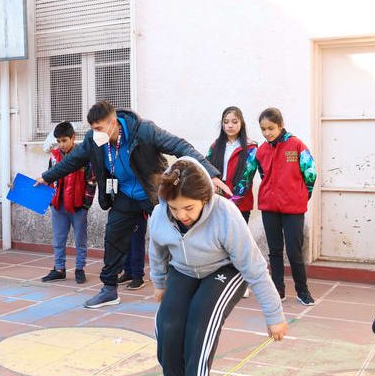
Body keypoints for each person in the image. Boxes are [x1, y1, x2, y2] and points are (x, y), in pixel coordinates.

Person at [37, 100, 230, 309]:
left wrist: (210, 173)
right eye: (92, 129)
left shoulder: (144, 131)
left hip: (151, 193)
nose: (95, 133)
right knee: (113, 238)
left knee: (175, 236)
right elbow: (72, 160)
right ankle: (109, 289)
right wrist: (47, 177)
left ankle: (191, 282)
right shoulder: (95, 140)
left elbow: (180, 146)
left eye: (99, 128)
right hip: (123, 195)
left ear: (113, 123)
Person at [149, 158, 287, 376]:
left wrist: (274, 315)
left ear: (204, 198)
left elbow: (254, 268)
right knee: (167, 322)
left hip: (225, 269)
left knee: (202, 317)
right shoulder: (160, 214)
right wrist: (159, 282)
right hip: (183, 269)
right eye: (174, 208)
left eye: (188, 208)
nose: (182, 216)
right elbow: (157, 250)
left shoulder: (225, 214)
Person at [237, 108, 317, 305]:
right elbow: (252, 176)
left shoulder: (296, 145)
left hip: (293, 208)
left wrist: (302, 196)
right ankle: (278, 290)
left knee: (294, 251)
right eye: (263, 129)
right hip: (269, 207)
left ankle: (302, 290)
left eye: (271, 128)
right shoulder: (261, 150)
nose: (267, 133)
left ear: (280, 125)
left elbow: (311, 173)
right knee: (274, 250)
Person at [40, 122, 96, 285]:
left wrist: (86, 205)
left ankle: (80, 269)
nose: (61, 145)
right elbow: (49, 178)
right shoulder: (54, 156)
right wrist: (50, 201)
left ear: (73, 138)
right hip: (58, 205)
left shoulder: (83, 156)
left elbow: (91, 181)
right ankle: (59, 269)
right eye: (58, 141)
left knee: (80, 240)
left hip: (78, 206)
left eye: (64, 140)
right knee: (58, 239)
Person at [207, 106, 258, 224]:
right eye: (226, 122)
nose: (230, 125)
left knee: (237, 240)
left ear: (242, 124)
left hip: (240, 203)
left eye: (234, 122)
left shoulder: (251, 147)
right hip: (216, 199)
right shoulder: (215, 146)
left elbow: (247, 178)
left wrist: (232, 202)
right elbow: (207, 168)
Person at [116, 216, 148, 290]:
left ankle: (138, 277)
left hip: (138, 214)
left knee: (136, 245)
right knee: (125, 244)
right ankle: (128, 273)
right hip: (123, 214)